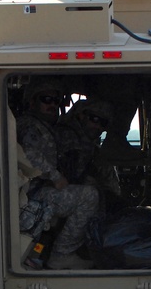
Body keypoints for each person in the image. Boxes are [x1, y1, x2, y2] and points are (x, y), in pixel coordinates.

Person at [16, 79, 101, 270]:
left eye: (57, 101)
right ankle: (62, 254)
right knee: (89, 196)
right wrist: (55, 177)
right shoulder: (30, 126)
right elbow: (30, 155)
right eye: (47, 100)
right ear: (32, 102)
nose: (52, 105)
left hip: (35, 190)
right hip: (32, 194)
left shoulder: (42, 126)